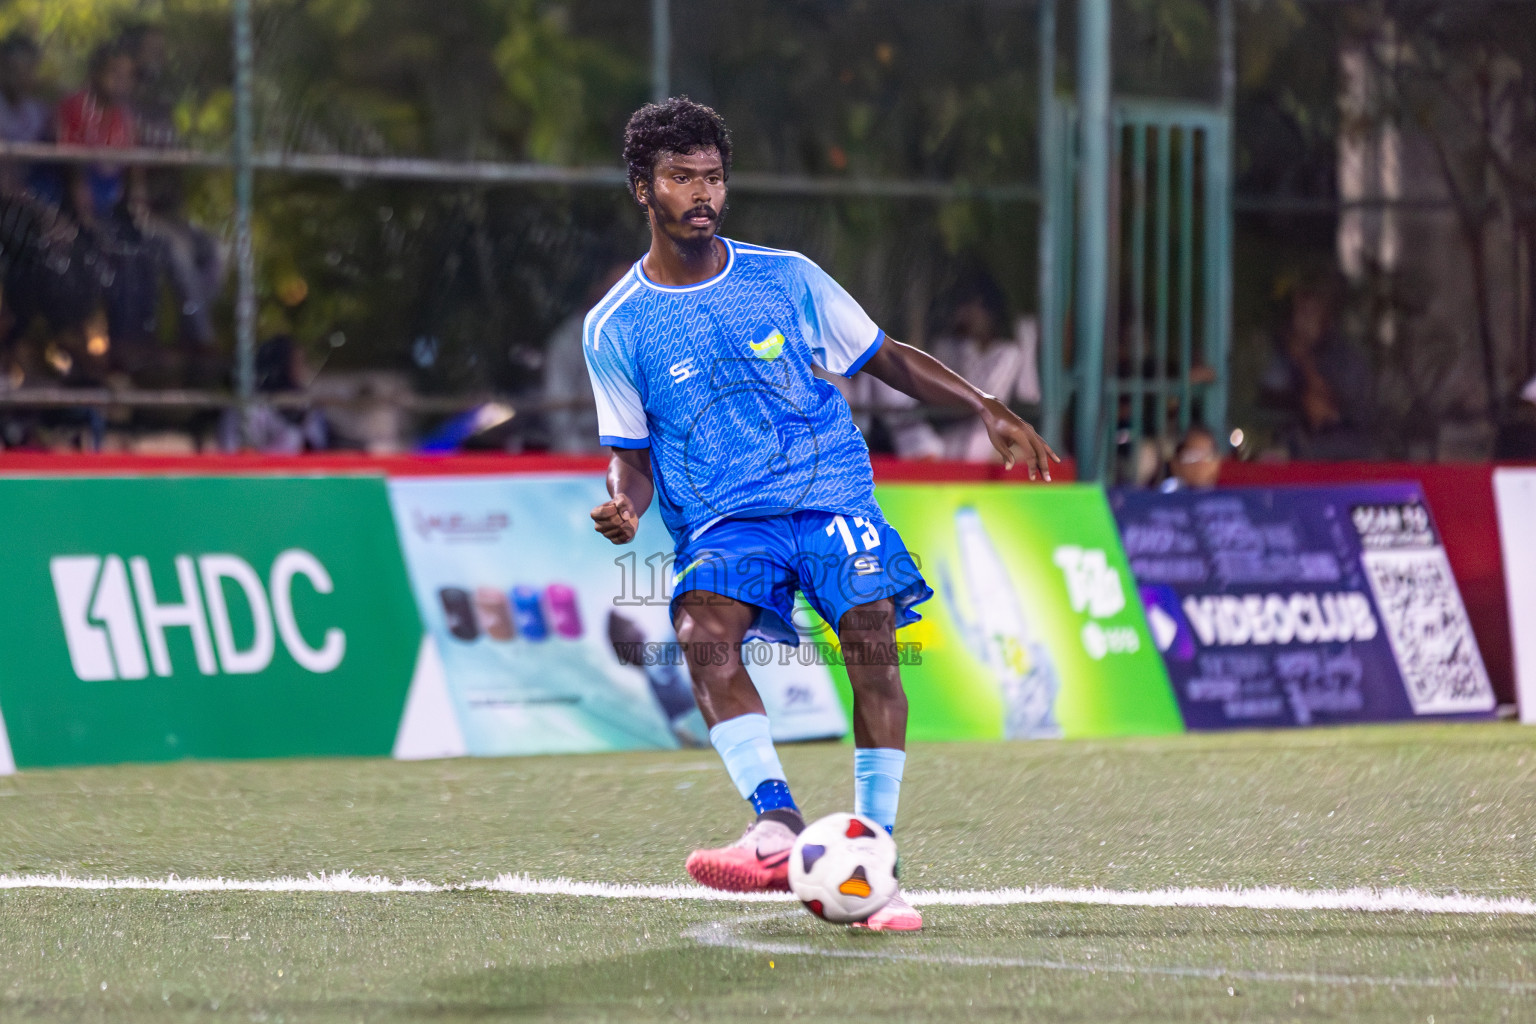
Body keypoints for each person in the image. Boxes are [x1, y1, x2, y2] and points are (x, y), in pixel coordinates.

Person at [583, 98, 1057, 932]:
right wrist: (625, 501)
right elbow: (632, 449)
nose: (703, 193)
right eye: (681, 177)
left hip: (830, 492)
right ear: (641, 189)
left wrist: (984, 403)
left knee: (874, 638)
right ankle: (776, 825)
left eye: (714, 176)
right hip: (726, 519)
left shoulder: (786, 275)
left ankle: (873, 849)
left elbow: (886, 356)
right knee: (701, 630)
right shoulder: (615, 326)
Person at [542, 261, 631, 452]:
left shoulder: (657, 340)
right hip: (585, 457)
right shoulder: (569, 341)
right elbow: (559, 413)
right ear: (599, 292)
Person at [0, 33, 50, 197]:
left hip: (30, 190)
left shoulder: (38, 112)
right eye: (14, 70)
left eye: (29, 70)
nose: (22, 77)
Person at [1159, 425, 1224, 491]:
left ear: (1217, 462)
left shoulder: (1227, 496)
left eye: (1207, 457)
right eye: (1191, 457)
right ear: (1175, 464)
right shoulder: (1165, 495)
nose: (1200, 464)